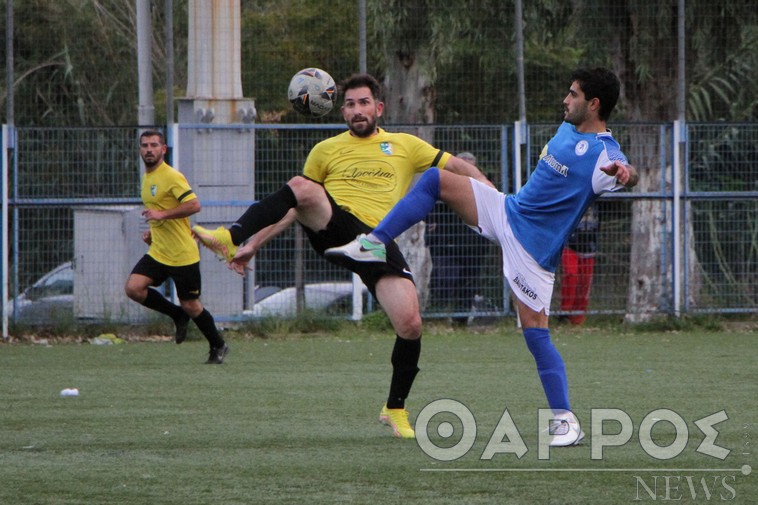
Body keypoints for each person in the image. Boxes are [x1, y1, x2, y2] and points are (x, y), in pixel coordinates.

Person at [326, 68, 639, 446]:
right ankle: (375, 242)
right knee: (435, 179)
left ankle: (565, 421)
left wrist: (625, 174)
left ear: (593, 104)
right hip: (509, 210)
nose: (565, 99)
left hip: (533, 249)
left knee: (536, 334)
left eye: (573, 95)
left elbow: (627, 171)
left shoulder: (604, 154)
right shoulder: (568, 128)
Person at [191, 74, 489, 439]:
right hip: (335, 226)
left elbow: (458, 167)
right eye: (349, 104)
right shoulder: (326, 150)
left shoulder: (405, 145)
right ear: (341, 111)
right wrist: (252, 243)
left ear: (378, 108)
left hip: (376, 241)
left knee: (410, 323)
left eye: (364, 103)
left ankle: (394, 408)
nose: (357, 110)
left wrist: (495, 196)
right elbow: (295, 203)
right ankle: (229, 235)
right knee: (301, 186)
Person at [124, 130, 229, 364]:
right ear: (140, 149)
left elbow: (194, 205)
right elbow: (160, 212)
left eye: (154, 145)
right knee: (134, 288)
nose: (148, 149)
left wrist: (162, 214)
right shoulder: (147, 178)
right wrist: (153, 231)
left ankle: (218, 345)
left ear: (164, 149)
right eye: (144, 145)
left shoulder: (171, 176)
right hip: (159, 251)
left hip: (183, 255)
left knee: (192, 304)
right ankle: (176, 314)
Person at [425, 151, 488, 325]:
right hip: (445, 243)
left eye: (469, 165)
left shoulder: (482, 186)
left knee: (468, 283)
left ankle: (461, 320)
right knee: (444, 278)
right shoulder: (442, 184)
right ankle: (436, 317)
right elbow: (426, 205)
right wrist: (431, 222)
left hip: (474, 245)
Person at [560, 203, 599, 325]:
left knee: (584, 282)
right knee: (571, 275)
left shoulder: (596, 201)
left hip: (589, 246)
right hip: (570, 245)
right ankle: (565, 312)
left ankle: (578, 317)